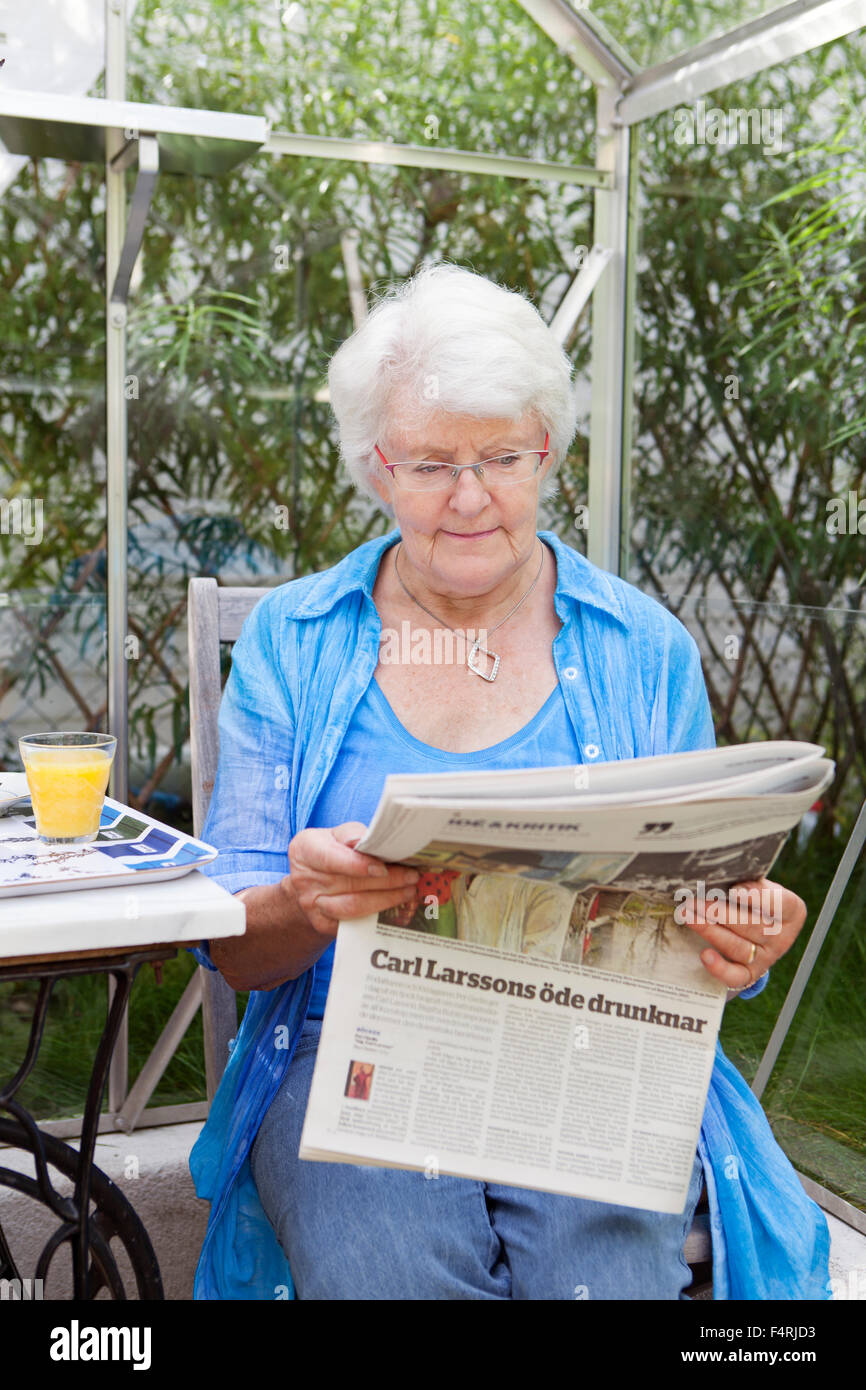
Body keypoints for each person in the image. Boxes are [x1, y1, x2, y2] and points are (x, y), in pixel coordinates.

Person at [189, 263, 830, 1301]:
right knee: (391, 1273)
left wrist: (743, 928)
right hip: (353, 1058)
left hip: (592, 1054)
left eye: (502, 455)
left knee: (607, 1276)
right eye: (432, 462)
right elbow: (233, 946)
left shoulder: (640, 646)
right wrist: (309, 904)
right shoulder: (295, 639)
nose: (471, 495)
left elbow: (706, 933)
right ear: (376, 466)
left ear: (547, 454)